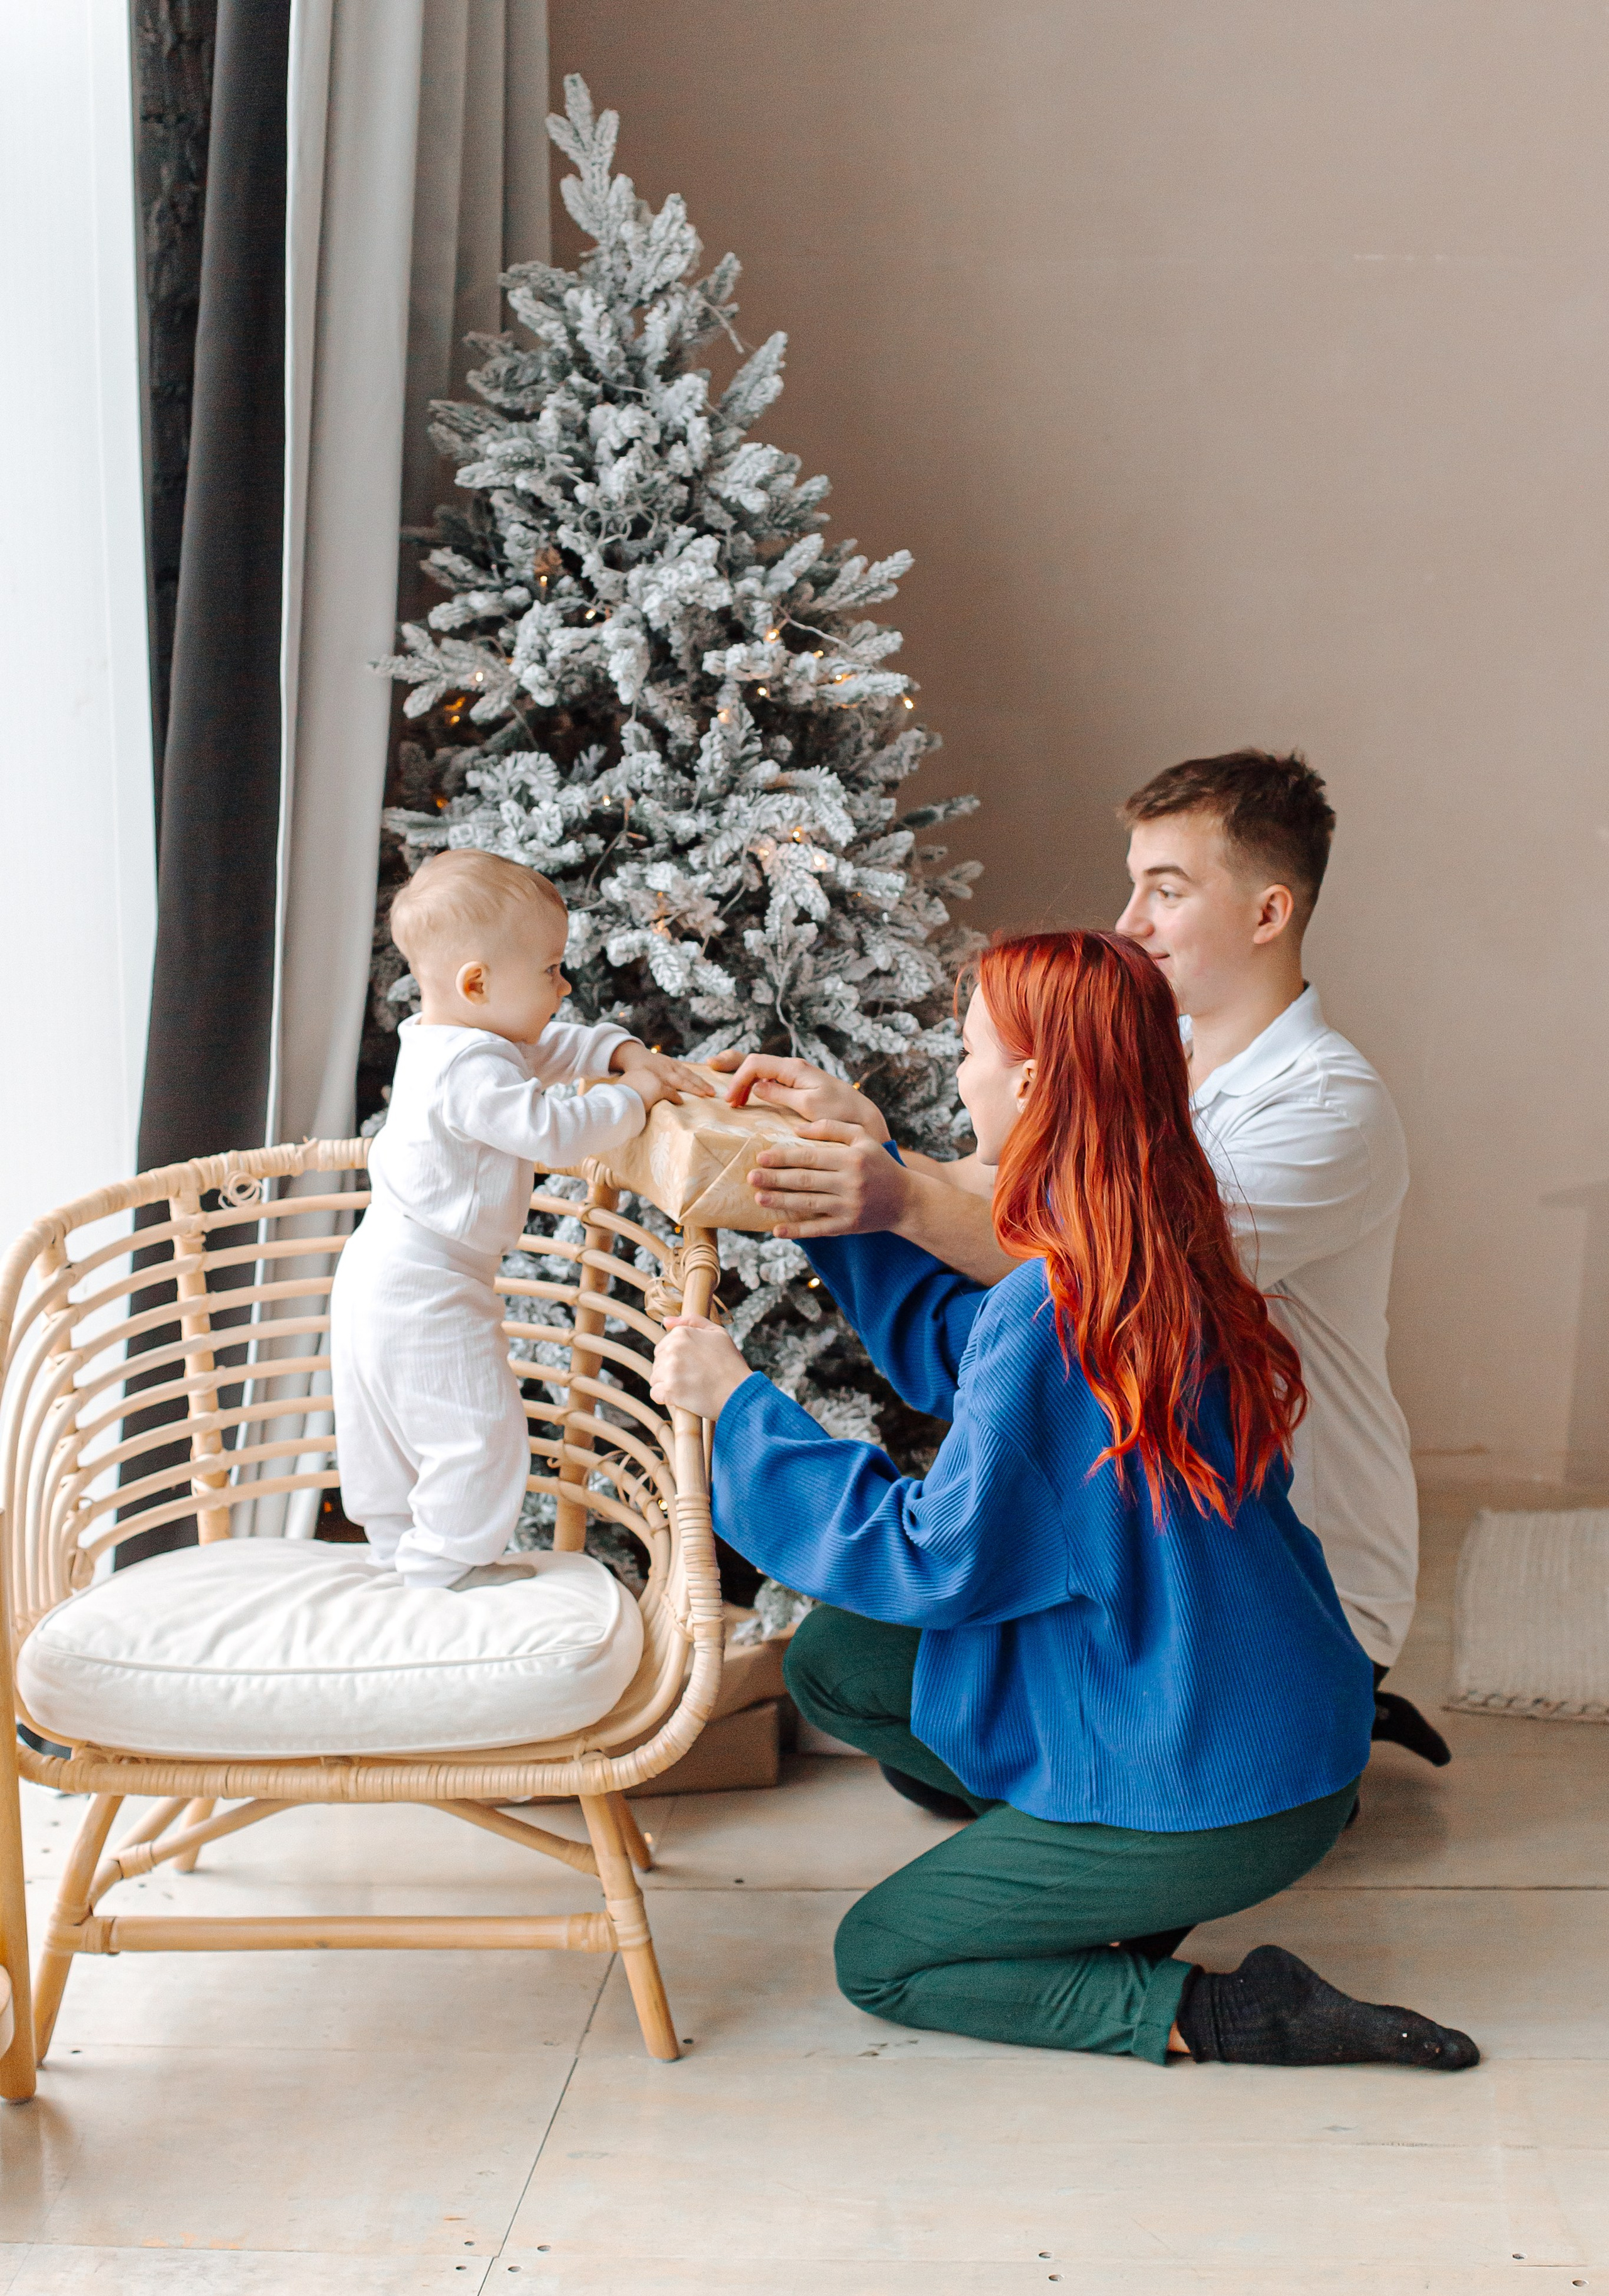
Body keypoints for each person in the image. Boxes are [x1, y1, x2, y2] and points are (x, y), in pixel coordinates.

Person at [652, 931, 1476, 2069]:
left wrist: (737, 1406)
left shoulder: (1062, 1290)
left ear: (1035, 1083)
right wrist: (854, 1173)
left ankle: (1217, 2007)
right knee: (840, 1660)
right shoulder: (1149, 1237)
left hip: (1223, 1766)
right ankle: (1091, 1866)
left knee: (884, 1956)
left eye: (970, 1051)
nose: (958, 1075)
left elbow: (931, 1561)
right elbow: (965, 1353)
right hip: (1252, 1702)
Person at [720, 750, 1447, 1801]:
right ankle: (1151, 1773)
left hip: (1276, 1576)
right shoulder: (1148, 1055)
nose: (1134, 920)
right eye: (1134, 883)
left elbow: (1110, 1272)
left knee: (945, 1723)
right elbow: (992, 1182)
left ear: (1268, 912)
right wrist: (867, 1142)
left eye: (1169, 888)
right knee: (869, 1680)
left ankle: (1266, 1755)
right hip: (1139, 1545)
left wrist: (894, 1193)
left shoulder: (1326, 1109)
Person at [331, 849, 710, 1589]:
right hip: (425, 1284)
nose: (563, 986)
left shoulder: (452, 1039)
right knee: (480, 1433)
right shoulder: (472, 1069)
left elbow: (551, 1046)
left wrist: (622, 1050)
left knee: (385, 1434)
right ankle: (444, 1570)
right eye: (550, 971)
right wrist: (633, 1096)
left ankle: (398, 1550)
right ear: (477, 982)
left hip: (382, 1272)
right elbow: (554, 1132)